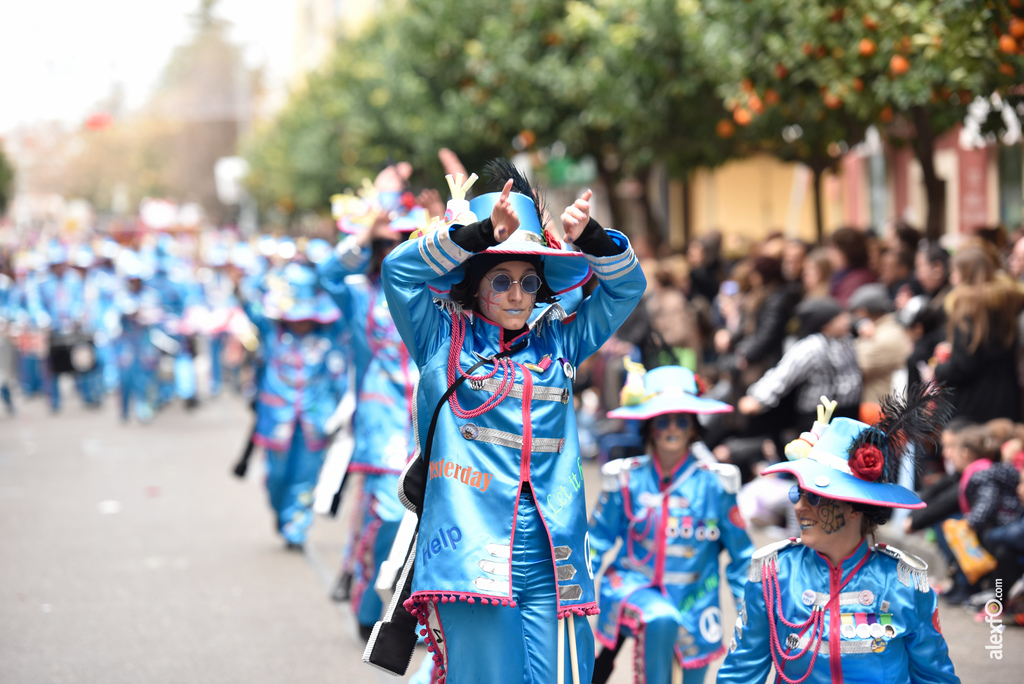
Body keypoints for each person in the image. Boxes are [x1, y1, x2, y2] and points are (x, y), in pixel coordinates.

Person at [380, 160, 646, 684]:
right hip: (468, 549)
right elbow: (398, 272)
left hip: (554, 553)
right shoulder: (439, 339)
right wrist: (480, 234)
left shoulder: (559, 341)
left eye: (529, 281)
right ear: (475, 284)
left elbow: (625, 291)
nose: (518, 294)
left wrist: (591, 238)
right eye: (500, 279)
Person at [717, 387, 960, 683]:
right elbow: (740, 674)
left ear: (855, 507)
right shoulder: (772, 575)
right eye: (799, 493)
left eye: (816, 498)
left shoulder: (903, 583)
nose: (799, 507)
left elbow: (935, 677)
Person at [588, 364, 753, 684]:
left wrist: (751, 610)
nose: (672, 428)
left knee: (695, 674)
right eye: (663, 420)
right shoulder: (626, 478)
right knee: (660, 619)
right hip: (635, 586)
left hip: (698, 598)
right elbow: (596, 540)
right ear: (650, 427)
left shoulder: (715, 485)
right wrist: (571, 595)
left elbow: (741, 554)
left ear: (694, 428)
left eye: (682, 420)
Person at [318, 189, 429, 635]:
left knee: (430, 524)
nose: (393, 253)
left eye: (403, 244)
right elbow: (325, 274)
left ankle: (420, 619)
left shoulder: (433, 297)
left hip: (429, 421)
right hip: (382, 420)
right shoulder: (357, 295)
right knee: (384, 515)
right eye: (385, 245)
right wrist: (364, 232)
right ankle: (369, 608)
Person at [237, 261, 347, 549]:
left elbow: (339, 377)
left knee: (306, 477)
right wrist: (273, 272)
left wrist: (342, 413)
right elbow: (249, 297)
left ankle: (295, 525)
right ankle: (282, 512)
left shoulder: (330, 335)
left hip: (315, 421)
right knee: (276, 477)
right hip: (276, 418)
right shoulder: (271, 331)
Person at [928, 245, 1024, 423]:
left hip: (974, 402)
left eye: (954, 273)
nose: (952, 278)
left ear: (966, 274)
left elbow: (965, 364)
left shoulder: (968, 308)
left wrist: (937, 369)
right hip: (1007, 396)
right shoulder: (1007, 302)